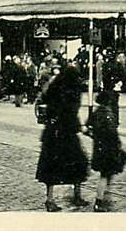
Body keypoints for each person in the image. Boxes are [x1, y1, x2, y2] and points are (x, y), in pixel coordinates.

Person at [36, 64, 89, 212]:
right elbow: (70, 112)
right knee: (78, 163)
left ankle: (50, 198)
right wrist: (80, 127)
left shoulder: (54, 87)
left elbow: (46, 102)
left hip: (52, 133)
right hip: (66, 133)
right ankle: (76, 195)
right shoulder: (72, 91)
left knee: (51, 165)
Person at [84, 90, 126, 213]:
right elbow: (112, 132)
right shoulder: (108, 113)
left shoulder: (96, 112)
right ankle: (99, 201)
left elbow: (86, 127)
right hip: (109, 147)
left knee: (107, 173)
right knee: (105, 174)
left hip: (98, 147)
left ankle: (105, 195)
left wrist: (95, 136)